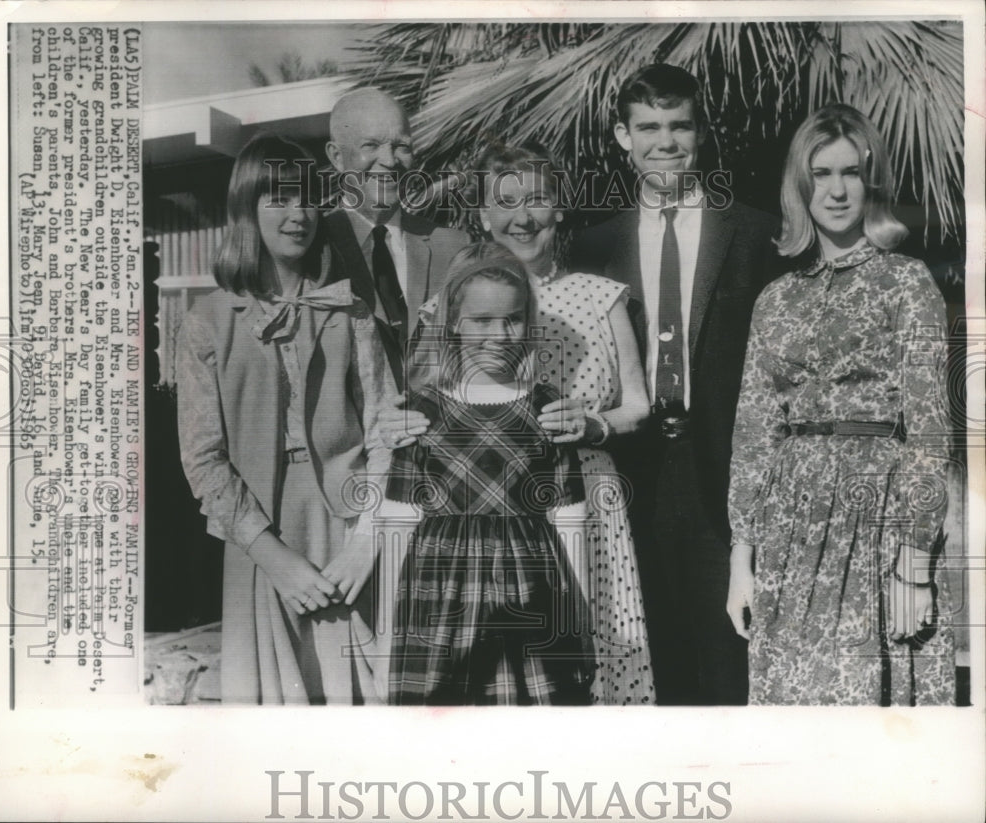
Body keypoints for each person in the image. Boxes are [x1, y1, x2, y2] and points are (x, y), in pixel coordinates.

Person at [726, 104, 955, 705]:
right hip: (788, 531)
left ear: (870, 181)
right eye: (821, 174)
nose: (836, 189)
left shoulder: (907, 282)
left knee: (866, 713)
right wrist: (740, 562)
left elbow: (931, 430)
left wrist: (915, 564)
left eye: (850, 173)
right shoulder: (775, 300)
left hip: (878, 520)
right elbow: (754, 431)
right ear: (800, 186)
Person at [571, 63, 781, 705]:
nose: (666, 142)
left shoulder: (752, 232)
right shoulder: (593, 244)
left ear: (700, 133)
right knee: (651, 655)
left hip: (723, 471)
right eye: (649, 127)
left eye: (679, 126)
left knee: (730, 653)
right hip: (629, 473)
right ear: (621, 136)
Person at [176, 133, 395, 704]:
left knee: (367, 701)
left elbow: (385, 432)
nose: (299, 215)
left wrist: (368, 538)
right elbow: (204, 460)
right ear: (245, 209)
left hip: (350, 529)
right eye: (278, 199)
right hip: (260, 540)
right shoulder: (207, 321)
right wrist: (275, 558)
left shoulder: (350, 311)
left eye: (309, 199)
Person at [379, 243, 595, 705]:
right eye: (480, 321)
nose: (498, 335)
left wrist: (580, 618)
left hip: (530, 598)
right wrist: (384, 641)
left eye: (512, 319)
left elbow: (570, 519)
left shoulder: (546, 407)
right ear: (453, 323)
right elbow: (396, 523)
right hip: (438, 603)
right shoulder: (421, 411)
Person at [324, 87, 468, 388]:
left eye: (401, 145)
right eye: (371, 145)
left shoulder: (454, 247)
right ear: (337, 157)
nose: (389, 161)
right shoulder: (315, 246)